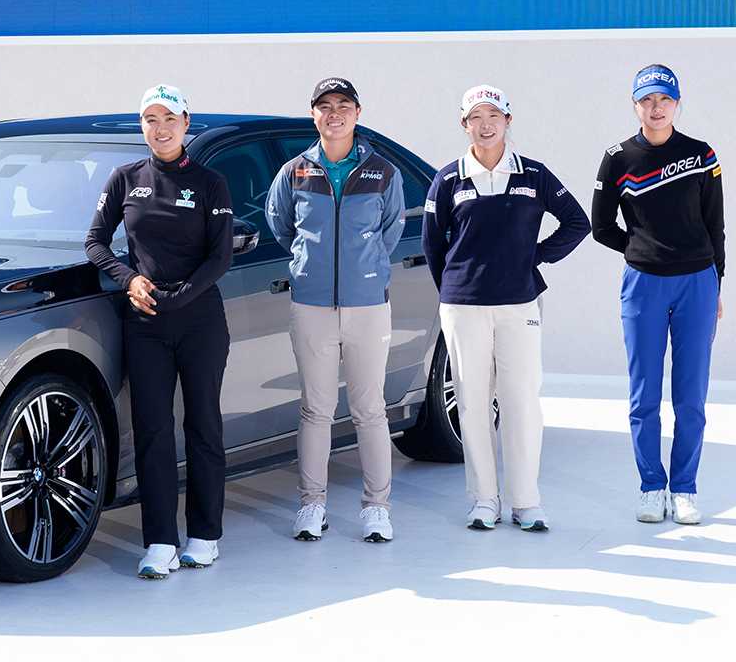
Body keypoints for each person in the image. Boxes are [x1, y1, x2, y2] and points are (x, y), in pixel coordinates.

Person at [422, 85, 589, 532]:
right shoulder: (448, 178)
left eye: (494, 114)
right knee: (473, 402)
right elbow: (433, 244)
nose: (486, 123)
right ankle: (483, 500)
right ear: (464, 124)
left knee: (520, 401)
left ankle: (526, 501)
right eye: (476, 116)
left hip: (519, 303)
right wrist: (456, 287)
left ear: (508, 120)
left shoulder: (534, 174)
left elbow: (578, 222)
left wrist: (535, 256)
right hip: (463, 307)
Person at [85, 84, 234, 579]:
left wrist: (179, 294)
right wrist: (130, 281)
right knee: (151, 433)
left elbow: (221, 256)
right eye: (151, 118)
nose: (161, 127)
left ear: (187, 123)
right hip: (145, 323)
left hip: (200, 321)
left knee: (203, 426)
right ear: (142, 125)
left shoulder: (210, 182)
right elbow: (95, 242)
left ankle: (204, 536)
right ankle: (160, 543)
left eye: (169, 117)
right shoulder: (125, 179)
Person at [265, 77, 405, 543]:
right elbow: (282, 225)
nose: (334, 113)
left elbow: (388, 233)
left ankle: (376, 508)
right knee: (316, 409)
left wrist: (361, 271)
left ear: (358, 113)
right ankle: (312, 504)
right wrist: (313, 266)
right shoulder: (295, 172)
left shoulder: (382, 171)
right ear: (314, 115)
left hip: (368, 306)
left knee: (370, 409)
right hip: (311, 305)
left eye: (343, 104)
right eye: (325, 106)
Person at [591, 64, 724, 526]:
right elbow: (600, 226)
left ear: (677, 103)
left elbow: (715, 226)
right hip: (643, 284)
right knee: (644, 394)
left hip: (697, 283)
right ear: (635, 104)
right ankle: (651, 486)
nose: (656, 108)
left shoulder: (701, 154)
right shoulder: (618, 158)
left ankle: (684, 488)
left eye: (664, 99)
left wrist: (717, 285)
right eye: (647, 100)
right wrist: (641, 249)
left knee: (691, 395)